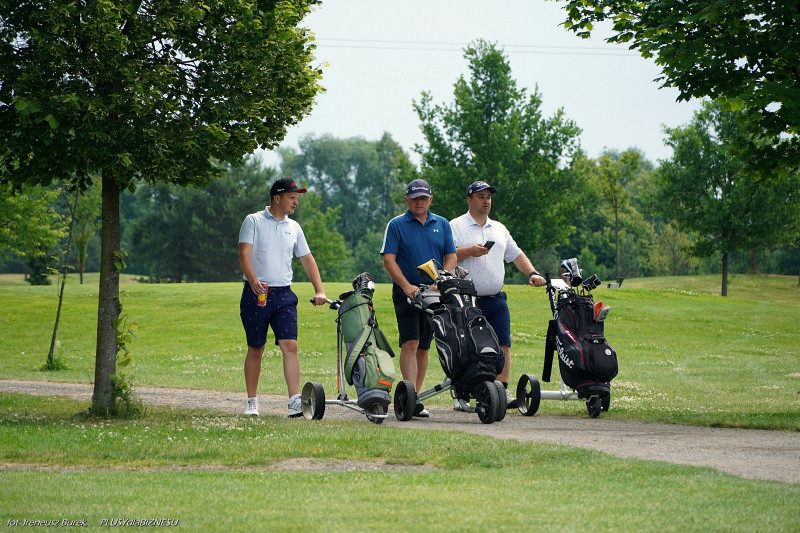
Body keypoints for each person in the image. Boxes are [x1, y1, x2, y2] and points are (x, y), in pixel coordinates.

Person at [449, 180, 546, 411]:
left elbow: (516, 254)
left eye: (488, 197)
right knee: (466, 347)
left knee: (503, 343)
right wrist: (469, 251)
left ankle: (501, 391)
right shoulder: (455, 226)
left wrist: (531, 273)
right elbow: (447, 255)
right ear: (469, 199)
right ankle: (461, 393)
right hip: (466, 299)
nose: (486, 201)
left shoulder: (499, 229)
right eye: (481, 197)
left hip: (495, 297)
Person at [238, 177, 327, 417]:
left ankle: (294, 402)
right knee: (256, 348)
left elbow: (307, 259)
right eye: (292, 197)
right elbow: (244, 254)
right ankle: (252, 402)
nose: (296, 202)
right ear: (277, 198)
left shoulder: (294, 227)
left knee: (291, 345)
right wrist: (253, 280)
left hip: (284, 294)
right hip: (257, 292)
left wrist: (319, 290)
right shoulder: (253, 221)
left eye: (297, 197)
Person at [381, 179, 457, 417]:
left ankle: (416, 398)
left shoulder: (442, 224)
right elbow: (389, 259)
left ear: (430, 200)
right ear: (407, 200)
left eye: (423, 198)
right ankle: (408, 395)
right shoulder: (396, 224)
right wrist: (406, 286)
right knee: (410, 342)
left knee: (424, 346)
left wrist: (441, 280)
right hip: (407, 292)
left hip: (434, 292)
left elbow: (451, 256)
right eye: (414, 198)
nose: (419, 202)